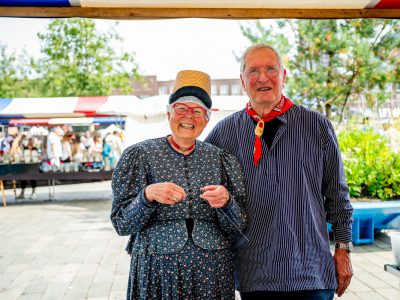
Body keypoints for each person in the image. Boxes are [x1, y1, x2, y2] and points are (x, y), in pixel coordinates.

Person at [205, 44, 354, 300]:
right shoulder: (223, 134)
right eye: (253, 71)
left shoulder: (316, 125)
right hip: (254, 273)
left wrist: (342, 250)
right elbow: (200, 191)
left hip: (311, 271)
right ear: (243, 81)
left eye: (270, 69)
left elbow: (337, 195)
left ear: (283, 75)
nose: (263, 78)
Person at [110, 70, 247, 299]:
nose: (188, 117)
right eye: (181, 108)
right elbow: (122, 224)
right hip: (157, 273)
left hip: (212, 274)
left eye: (197, 111)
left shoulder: (222, 160)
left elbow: (238, 226)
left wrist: (227, 203)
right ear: (168, 113)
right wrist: (147, 196)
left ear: (207, 118)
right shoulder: (140, 155)